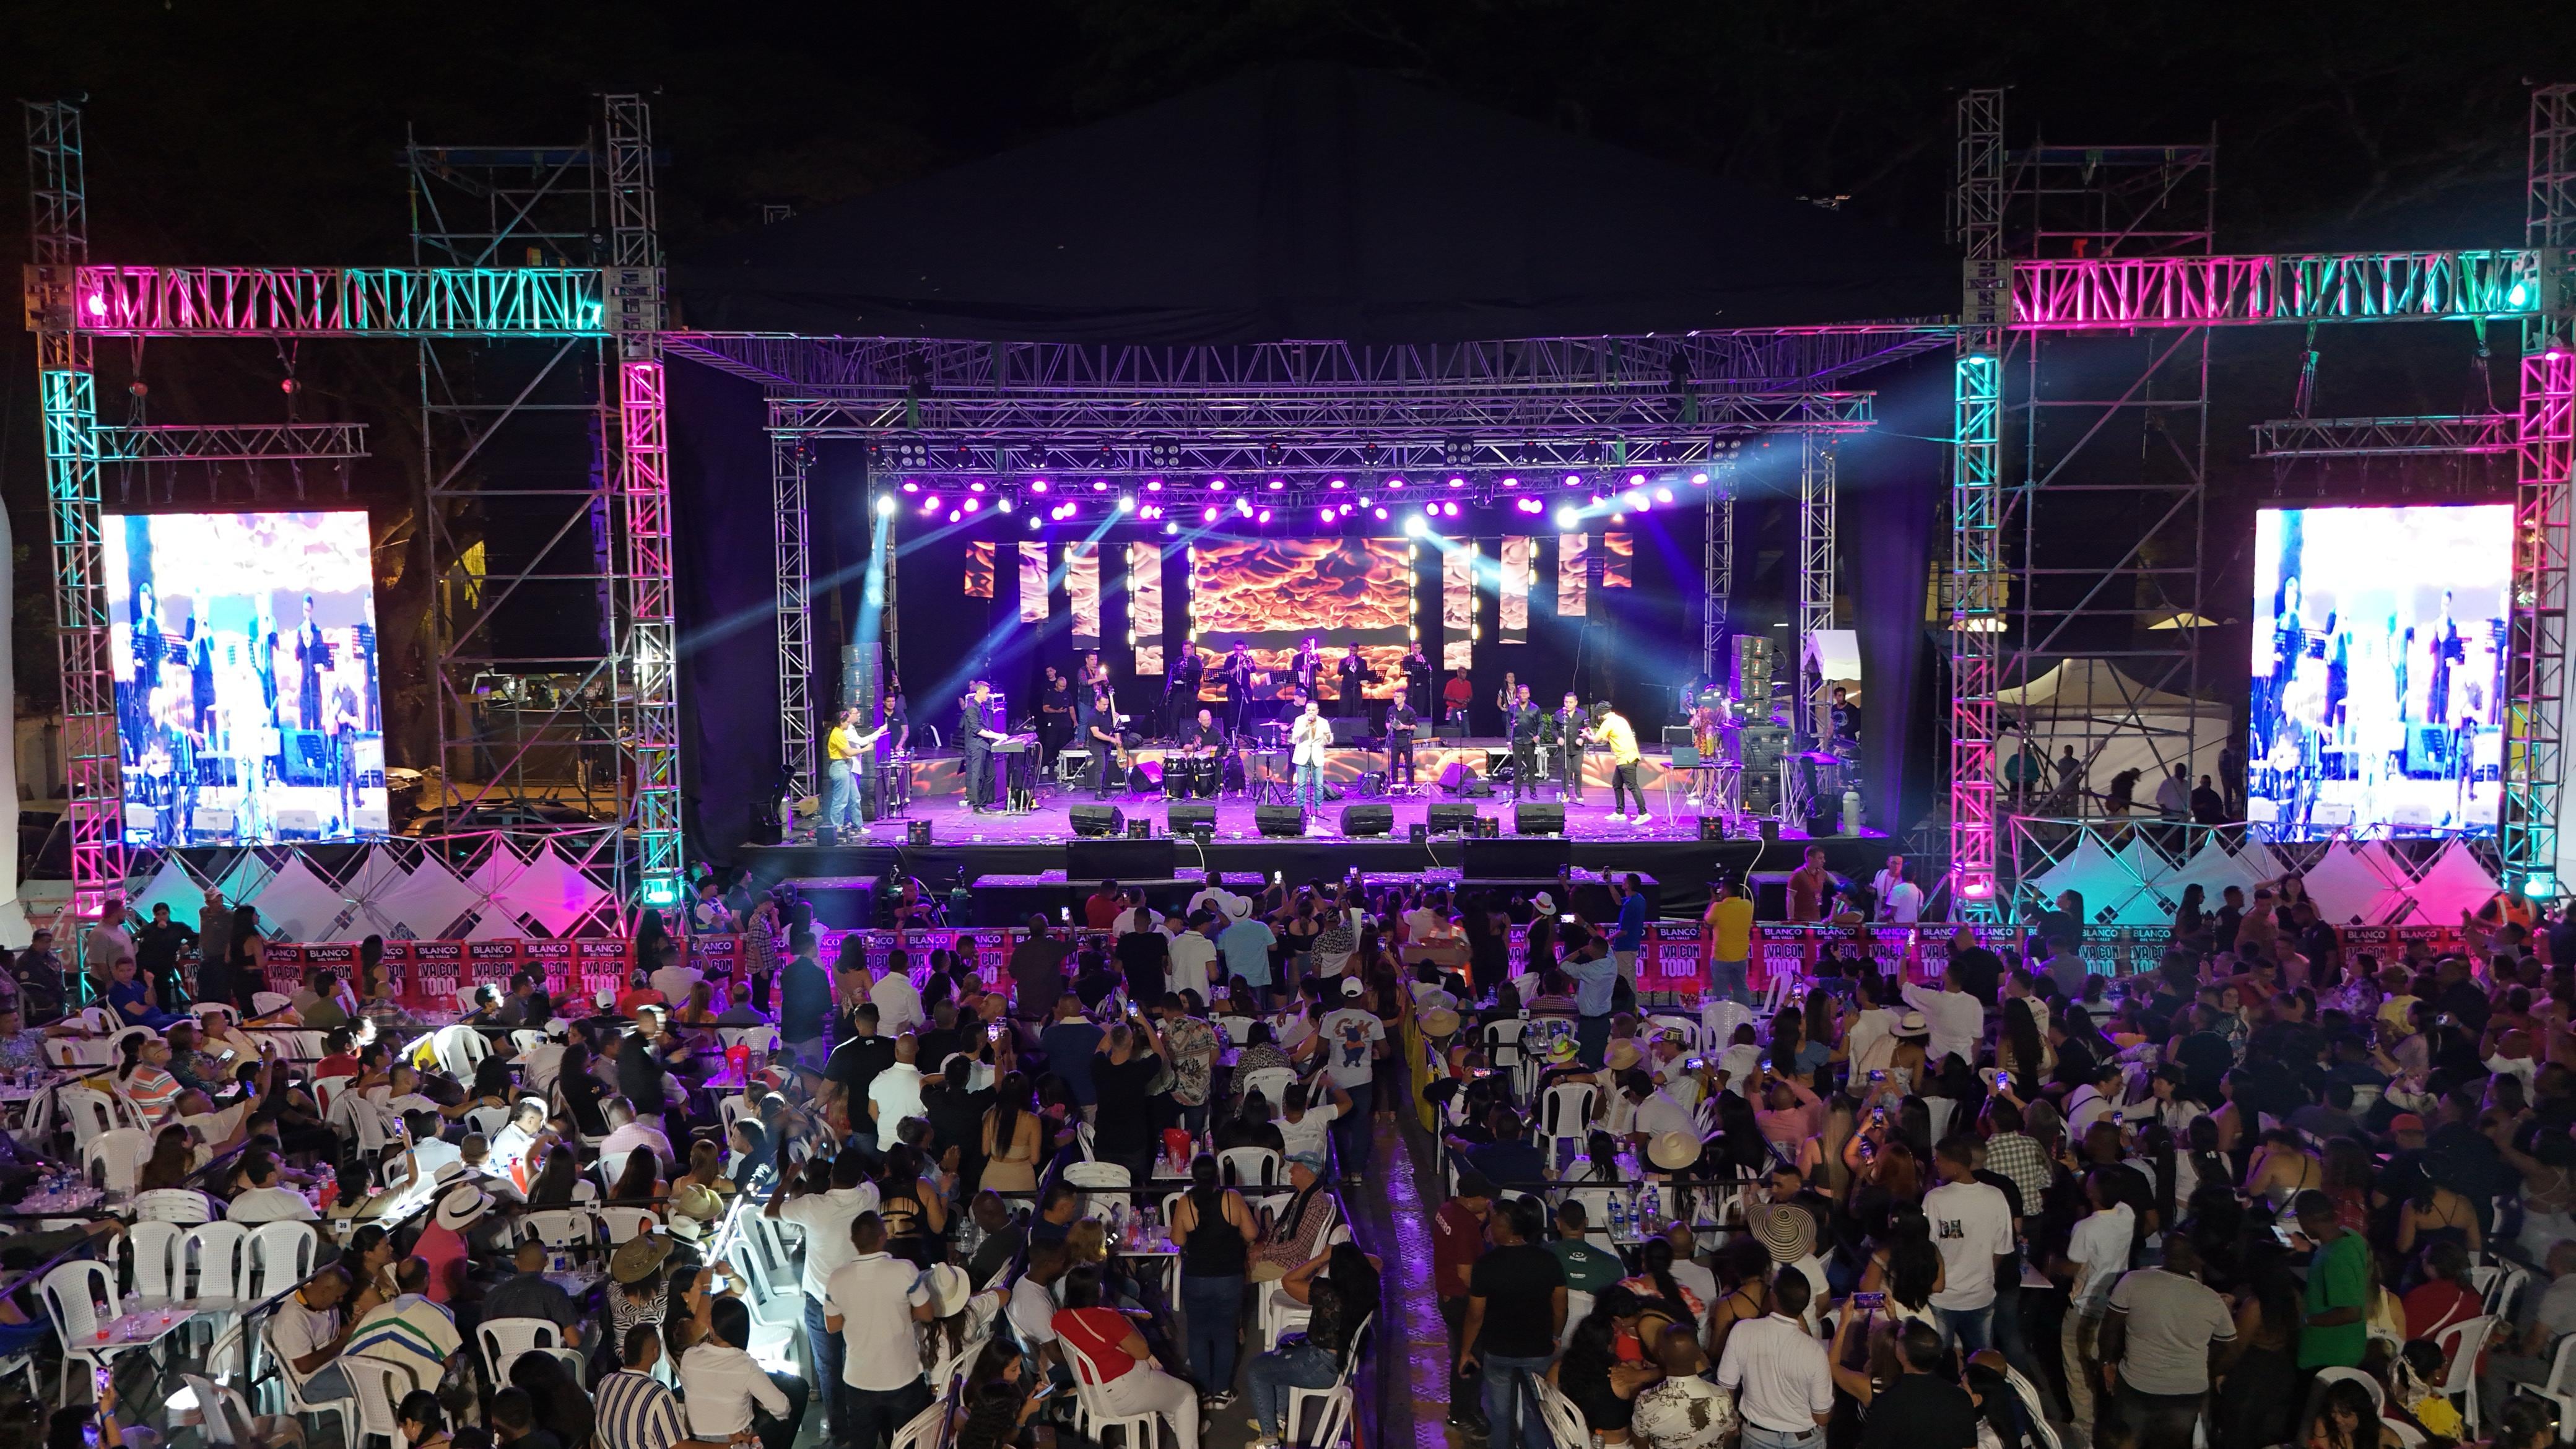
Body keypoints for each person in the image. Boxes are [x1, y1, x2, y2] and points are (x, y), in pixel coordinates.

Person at [2097, 1237, 2237, 1449]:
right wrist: (2206, 1370)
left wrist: (2107, 1362)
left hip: (2138, 1383)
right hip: (2187, 1392)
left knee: (2128, 1442)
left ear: (2163, 1254)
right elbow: (2230, 1348)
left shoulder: (2133, 1281)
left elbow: (2110, 1327)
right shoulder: (2212, 1300)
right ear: (2193, 1259)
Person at [1458, 1196, 1566, 1449]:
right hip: (1538, 1349)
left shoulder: (1486, 1266)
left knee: (1500, 1415)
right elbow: (1560, 1306)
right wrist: (1556, 1335)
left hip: (1499, 1351)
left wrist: (1465, 1351)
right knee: (1536, 1414)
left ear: (1500, 1228)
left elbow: (1476, 1314)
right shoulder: (1548, 1260)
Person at [1053, 1264, 1201, 1449]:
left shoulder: (1059, 1319)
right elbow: (1142, 1352)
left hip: (1092, 1395)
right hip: (1125, 1393)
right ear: (1099, 1289)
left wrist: (1123, 1314)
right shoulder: (1108, 1318)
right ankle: (1187, 1433)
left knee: (1169, 1388)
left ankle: (1183, 1425)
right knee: (1187, 1395)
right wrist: (1126, 1320)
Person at [825, 1212, 938, 1449]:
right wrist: (901, 1313)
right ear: (883, 1236)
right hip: (903, 1376)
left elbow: (832, 1326)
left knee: (862, 1444)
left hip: (859, 1379)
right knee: (910, 1442)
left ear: (853, 1240)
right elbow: (927, 1314)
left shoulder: (837, 1279)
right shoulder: (905, 1270)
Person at [1170, 1154, 1256, 1404]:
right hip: (1229, 1277)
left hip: (1196, 1277)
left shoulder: (1185, 1202)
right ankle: (1222, 1391)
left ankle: (1204, 1391)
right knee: (1225, 1333)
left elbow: (1177, 1240)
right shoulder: (1232, 1198)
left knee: (1197, 1333)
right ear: (1217, 1174)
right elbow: (1251, 1233)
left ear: (1194, 1176)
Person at [1713, 1269, 1832, 1449]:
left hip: (1756, 1435)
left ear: (1773, 1297)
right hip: (1804, 1440)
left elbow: (1726, 1388)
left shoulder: (1743, 1331)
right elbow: (1822, 1417)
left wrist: (1732, 1423)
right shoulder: (1815, 1351)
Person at [1923, 1134, 2013, 1354]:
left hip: (1943, 1297)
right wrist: (1982, 1274)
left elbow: (1927, 1248)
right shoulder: (1996, 1196)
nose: (1935, 1164)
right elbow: (2002, 1249)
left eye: (1939, 1159)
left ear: (1953, 1164)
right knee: (1981, 1360)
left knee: (1938, 1359)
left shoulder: (1935, 1199)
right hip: (1980, 1294)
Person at [679, 1297, 807, 1449]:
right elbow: (782, 1408)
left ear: (711, 1326)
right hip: (736, 1440)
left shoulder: (689, 1357)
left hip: (695, 1441)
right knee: (796, 1389)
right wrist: (757, 1403)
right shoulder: (747, 1367)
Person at [597, 1323, 729, 1449]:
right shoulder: (657, 1395)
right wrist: (729, 1446)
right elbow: (680, 1447)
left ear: (624, 1351)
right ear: (656, 1352)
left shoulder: (605, 1382)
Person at [2292, 1187, 2368, 1376]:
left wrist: (2306, 1320)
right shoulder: (2351, 1236)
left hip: (2328, 1356)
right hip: (2348, 1347)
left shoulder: (2335, 1257)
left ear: (2307, 1220)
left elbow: (2351, 1313)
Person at [1586, 699, 1648, 824]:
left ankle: (1643, 813)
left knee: (1632, 786)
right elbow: (1607, 738)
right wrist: (1593, 733)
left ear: (1601, 713)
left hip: (1625, 758)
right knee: (1617, 784)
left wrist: (1586, 735)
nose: (1598, 717)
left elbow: (1595, 740)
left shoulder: (1608, 723)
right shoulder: (1620, 719)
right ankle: (1620, 812)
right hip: (1628, 756)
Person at [958, 680, 1007, 813]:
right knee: (977, 775)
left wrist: (998, 735)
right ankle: (977, 805)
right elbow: (977, 730)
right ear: (979, 692)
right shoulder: (971, 708)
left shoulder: (982, 707)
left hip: (985, 745)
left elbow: (985, 728)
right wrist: (997, 736)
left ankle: (984, 802)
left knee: (991, 775)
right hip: (976, 746)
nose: (988, 695)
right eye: (987, 693)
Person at [1704, 878, 1755, 1007]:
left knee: (1721, 992)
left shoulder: (1718, 907)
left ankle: (1723, 1017)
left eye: (1722, 889)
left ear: (1726, 890)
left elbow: (1707, 922)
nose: (1720, 891)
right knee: (1741, 988)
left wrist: (1713, 899)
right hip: (1741, 956)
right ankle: (1745, 1015)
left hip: (1721, 956)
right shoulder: (1747, 905)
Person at [1290, 700, 1331, 816]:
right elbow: (1295, 737)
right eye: (1308, 710)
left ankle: (1318, 809)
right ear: (1305, 711)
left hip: (1317, 756)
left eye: (1313, 710)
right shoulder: (1299, 720)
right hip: (1302, 756)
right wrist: (1306, 726)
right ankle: (1301, 810)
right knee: (1301, 784)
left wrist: (1328, 736)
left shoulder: (1323, 722)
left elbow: (1328, 740)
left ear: (1317, 711)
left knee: (1319, 785)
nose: (1311, 712)